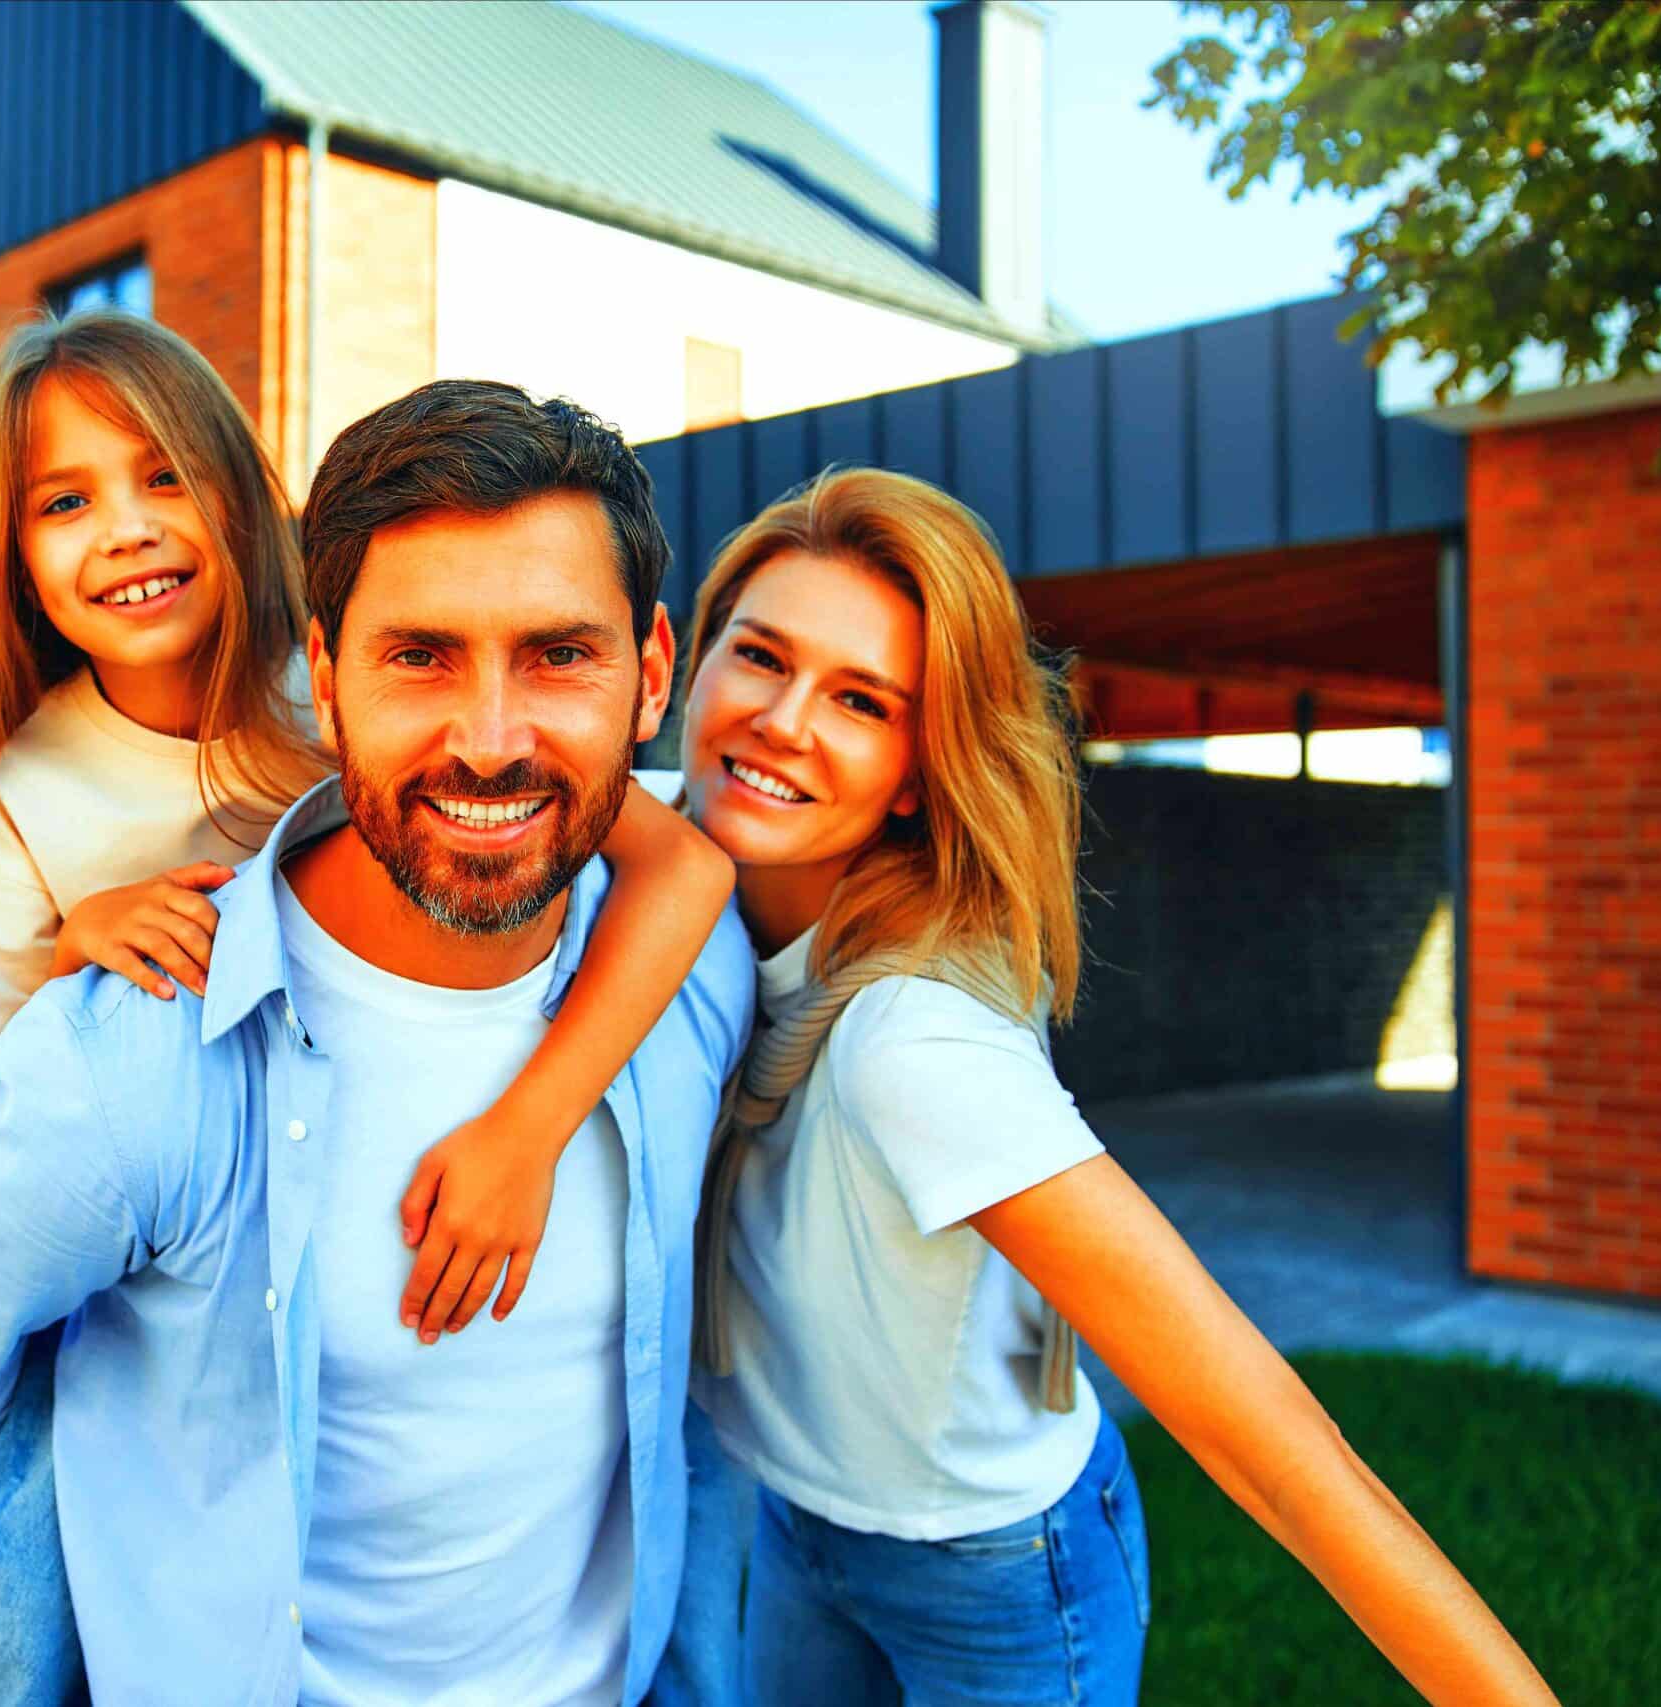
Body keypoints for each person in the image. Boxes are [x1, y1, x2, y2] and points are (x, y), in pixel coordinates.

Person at [0, 379, 753, 1702]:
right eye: (419, 655)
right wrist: (123, 1469)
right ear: (324, 674)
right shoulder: (142, 1059)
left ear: (653, 670)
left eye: (559, 654)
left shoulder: (690, 972)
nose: (491, 740)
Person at [661, 467, 1555, 1706]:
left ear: (918, 769)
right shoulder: (663, 857)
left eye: (860, 700)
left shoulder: (909, 1044)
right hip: (802, 1526)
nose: (783, 720)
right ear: (688, 664)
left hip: (993, 1567)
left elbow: (1262, 1437)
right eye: (760, 657)